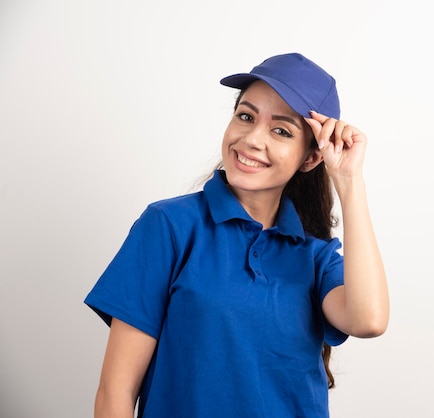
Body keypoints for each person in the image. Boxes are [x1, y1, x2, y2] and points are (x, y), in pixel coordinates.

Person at [84, 52, 389, 418]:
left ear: (310, 159)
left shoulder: (315, 255)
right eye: (245, 116)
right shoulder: (169, 226)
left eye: (281, 130)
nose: (252, 139)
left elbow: (369, 320)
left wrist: (349, 180)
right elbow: (116, 392)